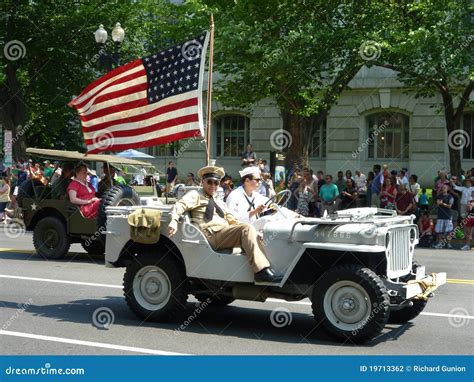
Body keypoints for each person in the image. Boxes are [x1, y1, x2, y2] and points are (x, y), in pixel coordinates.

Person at [168, 165, 283, 283]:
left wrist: (254, 232)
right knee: (247, 229)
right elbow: (180, 205)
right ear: (203, 181)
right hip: (210, 234)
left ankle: (273, 267)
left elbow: (233, 220)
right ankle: (261, 271)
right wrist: (173, 220)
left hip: (223, 233)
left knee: (253, 230)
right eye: (209, 182)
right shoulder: (195, 195)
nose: (213, 186)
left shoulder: (218, 201)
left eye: (216, 183)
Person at [433, 184, 454, 249]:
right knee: (439, 231)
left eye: (445, 188)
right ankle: (439, 244)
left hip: (448, 215)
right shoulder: (439, 196)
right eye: (442, 188)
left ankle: (449, 244)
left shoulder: (450, 196)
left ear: (448, 189)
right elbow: (437, 204)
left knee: (449, 231)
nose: (443, 189)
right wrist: (439, 203)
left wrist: (443, 204)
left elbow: (450, 206)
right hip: (440, 215)